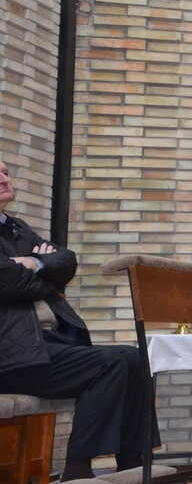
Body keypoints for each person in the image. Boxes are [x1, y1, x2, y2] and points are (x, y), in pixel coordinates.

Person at [0, 158, 149, 480]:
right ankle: (78, 470)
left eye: (6, 172)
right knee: (107, 364)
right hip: (10, 354)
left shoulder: (16, 227)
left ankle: (132, 463)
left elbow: (66, 260)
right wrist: (45, 274)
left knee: (134, 358)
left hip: (42, 344)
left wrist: (33, 263)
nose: (4, 179)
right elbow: (7, 281)